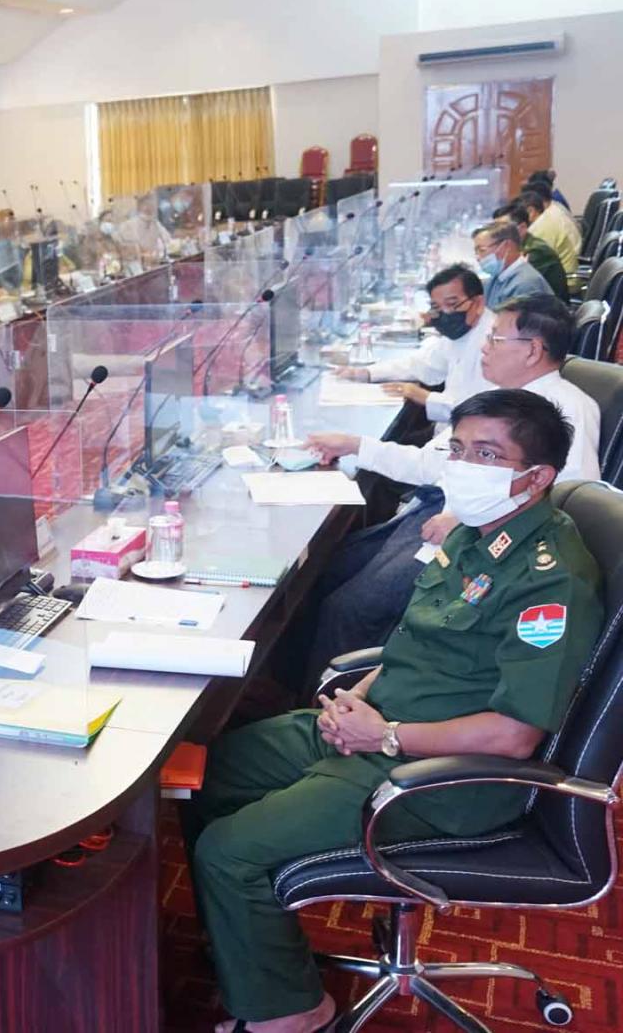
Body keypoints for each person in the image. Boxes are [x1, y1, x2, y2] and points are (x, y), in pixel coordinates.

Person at [185, 388, 603, 1033]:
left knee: (227, 850)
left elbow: (515, 736)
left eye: (486, 454)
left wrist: (385, 735)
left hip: (439, 777)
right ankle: (249, 953)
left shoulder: (551, 580)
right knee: (200, 775)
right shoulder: (476, 535)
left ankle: (293, 1013)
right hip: (375, 727)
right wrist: (361, 695)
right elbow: (419, 640)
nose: (463, 465)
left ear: (537, 477)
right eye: (457, 449)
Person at [297, 295, 599, 687]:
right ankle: (290, 689)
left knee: (351, 609)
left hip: (474, 539)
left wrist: (464, 521)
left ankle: (327, 705)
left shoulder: (565, 409)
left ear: (532, 350)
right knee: (333, 566)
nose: (484, 348)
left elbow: (573, 494)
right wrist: (354, 445)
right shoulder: (501, 404)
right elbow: (432, 463)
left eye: (495, 339)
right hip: (440, 515)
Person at [334, 263, 491, 425]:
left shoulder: (493, 342)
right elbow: (422, 364)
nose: (446, 313)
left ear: (478, 303)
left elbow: (484, 411)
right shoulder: (462, 333)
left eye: (451, 304)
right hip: (452, 429)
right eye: (437, 307)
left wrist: (422, 395)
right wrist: (367, 373)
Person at [493, 201, 567, 300]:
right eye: (494, 229)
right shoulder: (517, 247)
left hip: (549, 306)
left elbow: (516, 281)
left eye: (503, 229)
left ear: (522, 228)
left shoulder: (537, 251)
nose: (496, 234)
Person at [474, 220, 551, 307]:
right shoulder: (496, 279)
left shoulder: (526, 284)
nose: (478, 258)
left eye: (482, 250)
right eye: (476, 252)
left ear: (506, 246)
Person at [519, 182, 580, 278]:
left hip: (567, 279)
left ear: (531, 211)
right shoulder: (551, 212)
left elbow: (535, 262)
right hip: (570, 269)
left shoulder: (541, 226)